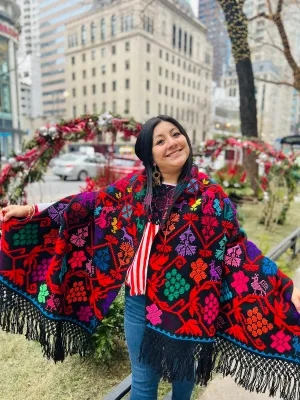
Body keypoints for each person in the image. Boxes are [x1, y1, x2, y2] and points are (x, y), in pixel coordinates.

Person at [1, 115, 300, 400]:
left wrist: (286, 289)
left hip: (189, 306)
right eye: (160, 141)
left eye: (175, 134)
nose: (171, 142)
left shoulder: (210, 196)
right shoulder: (133, 189)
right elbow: (86, 204)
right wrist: (30, 210)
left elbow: (240, 250)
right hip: (138, 304)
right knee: (143, 383)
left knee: (184, 377)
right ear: (149, 154)